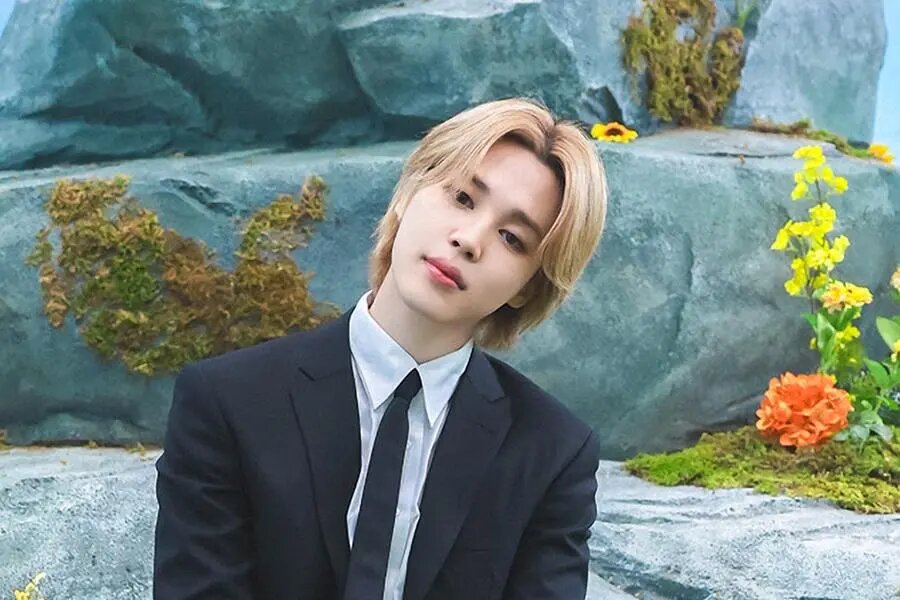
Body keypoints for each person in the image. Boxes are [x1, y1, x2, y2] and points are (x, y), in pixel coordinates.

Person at [153, 96, 609, 600]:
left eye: (512, 238)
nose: (469, 239)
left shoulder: (553, 452)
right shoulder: (227, 402)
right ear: (408, 193)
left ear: (528, 287)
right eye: (462, 197)